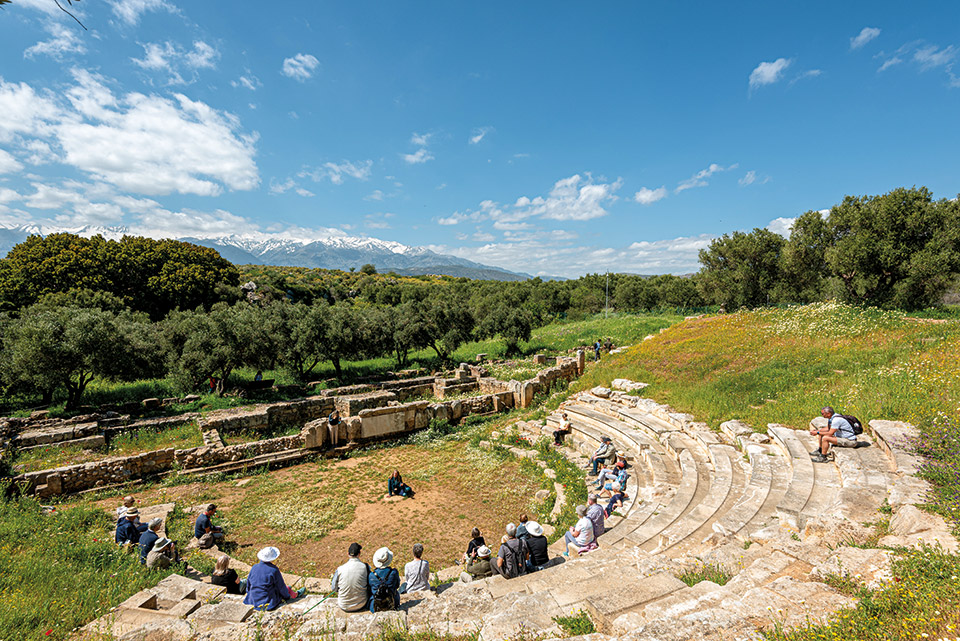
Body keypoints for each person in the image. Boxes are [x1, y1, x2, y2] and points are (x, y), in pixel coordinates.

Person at [244, 547, 304, 611]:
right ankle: (295, 594)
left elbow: (248, 584)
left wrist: (249, 593)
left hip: (252, 599)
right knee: (286, 589)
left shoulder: (254, 567)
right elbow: (281, 587)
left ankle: (289, 589)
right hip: (266, 601)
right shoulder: (273, 570)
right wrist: (287, 596)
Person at [331, 542, 370, 612]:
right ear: (359, 554)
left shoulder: (340, 569)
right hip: (362, 604)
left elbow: (334, 587)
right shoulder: (365, 567)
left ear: (348, 554)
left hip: (344, 605)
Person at [368, 547, 401, 612]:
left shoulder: (372, 575)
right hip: (393, 602)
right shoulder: (393, 572)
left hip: (375, 605)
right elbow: (397, 585)